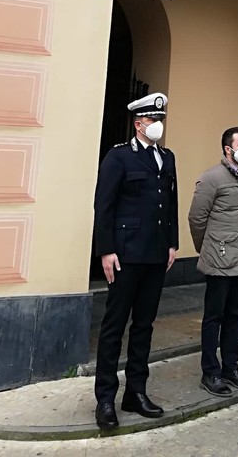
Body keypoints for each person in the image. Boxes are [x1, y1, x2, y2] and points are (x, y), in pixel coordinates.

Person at [93, 92, 178, 431]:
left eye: (161, 119)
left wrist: (172, 243)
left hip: (157, 254)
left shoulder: (167, 157)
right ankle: (104, 398)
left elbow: (170, 202)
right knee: (114, 326)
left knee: (144, 325)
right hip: (126, 254)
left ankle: (136, 392)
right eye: (153, 119)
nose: (158, 125)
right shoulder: (119, 157)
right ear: (138, 122)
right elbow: (105, 205)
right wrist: (106, 249)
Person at [188, 127, 238, 397]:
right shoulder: (211, 178)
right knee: (213, 317)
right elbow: (197, 218)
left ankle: (232, 366)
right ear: (228, 149)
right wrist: (205, 248)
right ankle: (210, 371)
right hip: (219, 257)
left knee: (235, 315)